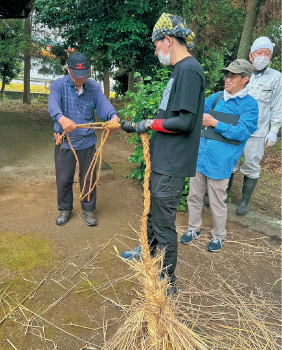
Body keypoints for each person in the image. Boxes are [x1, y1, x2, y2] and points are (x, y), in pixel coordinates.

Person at [120, 13, 206, 295]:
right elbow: (170, 115)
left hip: (172, 163)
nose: (156, 50)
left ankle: (168, 281)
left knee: (164, 222)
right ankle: (147, 251)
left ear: (168, 40)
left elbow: (185, 122)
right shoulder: (180, 70)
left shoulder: (189, 70)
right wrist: (139, 126)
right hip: (163, 159)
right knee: (152, 212)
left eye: (157, 45)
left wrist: (149, 124)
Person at [180, 59, 259, 252]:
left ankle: (218, 235)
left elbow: (242, 132)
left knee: (217, 201)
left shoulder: (250, 105)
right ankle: (193, 228)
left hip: (221, 162)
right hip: (200, 157)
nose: (228, 79)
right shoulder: (216, 98)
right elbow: (196, 111)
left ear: (245, 79)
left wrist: (215, 123)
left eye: (234, 75)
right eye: (227, 74)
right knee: (194, 195)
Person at [48, 52, 119, 226]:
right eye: (76, 76)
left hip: (87, 143)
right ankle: (65, 209)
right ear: (68, 69)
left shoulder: (93, 87)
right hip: (64, 142)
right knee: (64, 178)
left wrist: (113, 117)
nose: (81, 80)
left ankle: (88, 210)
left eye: (84, 76)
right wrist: (61, 118)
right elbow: (53, 104)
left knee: (88, 178)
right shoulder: (58, 86)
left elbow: (104, 105)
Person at [232, 37, 282, 215]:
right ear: (251, 55)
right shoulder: (240, 72)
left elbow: (278, 105)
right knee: (230, 160)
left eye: (267, 54)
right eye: (259, 53)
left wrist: (274, 130)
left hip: (257, 131)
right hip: (235, 127)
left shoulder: (276, 78)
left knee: (252, 164)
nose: (263, 57)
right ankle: (221, 194)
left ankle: (244, 201)